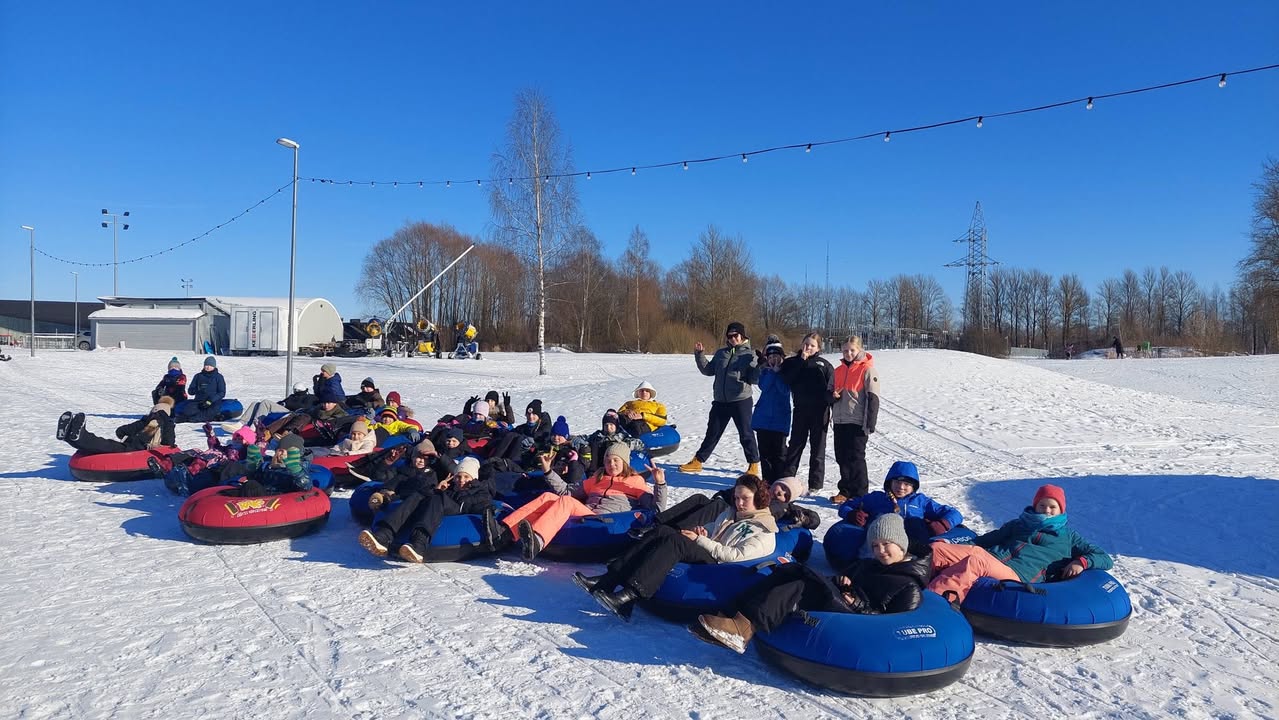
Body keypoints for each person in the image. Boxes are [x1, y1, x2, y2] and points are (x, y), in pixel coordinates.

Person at [695, 513, 931, 653]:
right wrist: (842, 582)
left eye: (886, 544)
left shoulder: (909, 585)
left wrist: (858, 605)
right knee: (788, 571)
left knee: (802, 583)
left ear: (901, 544)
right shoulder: (869, 565)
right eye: (876, 545)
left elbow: (894, 626)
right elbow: (844, 580)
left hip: (857, 619)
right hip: (844, 602)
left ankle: (742, 630)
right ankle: (730, 615)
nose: (880, 551)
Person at [575, 474, 778, 621]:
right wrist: (702, 531)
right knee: (663, 531)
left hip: (718, 563)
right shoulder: (733, 514)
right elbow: (714, 530)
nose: (739, 503)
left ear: (759, 498)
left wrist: (700, 540)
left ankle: (631, 595)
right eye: (736, 497)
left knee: (677, 542)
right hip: (708, 548)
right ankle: (609, 580)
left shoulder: (763, 530)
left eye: (745, 499)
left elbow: (732, 555)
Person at [927, 484, 1113, 605]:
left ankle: (934, 604)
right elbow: (984, 540)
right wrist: (952, 545)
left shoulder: (1069, 536)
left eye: (1052, 507)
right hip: (992, 558)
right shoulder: (1019, 524)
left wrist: (1081, 562)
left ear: (1060, 510)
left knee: (976, 560)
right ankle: (908, 584)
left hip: (1018, 574)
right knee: (937, 549)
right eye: (1042, 506)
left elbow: (1105, 558)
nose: (1047, 511)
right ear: (1035, 506)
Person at [500, 441, 669, 561]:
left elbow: (656, 508)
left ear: (624, 462)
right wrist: (548, 471)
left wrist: (660, 483)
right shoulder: (597, 478)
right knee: (548, 497)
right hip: (586, 515)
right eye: (608, 461)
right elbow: (567, 491)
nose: (611, 464)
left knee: (566, 502)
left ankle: (537, 540)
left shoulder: (635, 481)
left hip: (604, 522)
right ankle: (506, 532)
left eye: (616, 460)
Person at [358, 455, 503, 562]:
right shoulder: (450, 487)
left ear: (474, 478)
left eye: (466, 476)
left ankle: (419, 544)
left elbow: (480, 506)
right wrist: (439, 488)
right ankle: (384, 535)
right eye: (458, 476)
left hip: (460, 510)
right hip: (442, 506)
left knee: (436, 497)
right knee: (421, 494)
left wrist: (445, 494)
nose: (461, 480)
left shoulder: (481, 490)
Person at [678, 321, 761, 477]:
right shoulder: (721, 353)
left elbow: (755, 379)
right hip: (720, 400)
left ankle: (753, 465)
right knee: (713, 432)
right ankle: (698, 461)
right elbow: (708, 370)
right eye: (729, 336)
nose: (732, 339)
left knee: (746, 433)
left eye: (735, 335)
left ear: (742, 336)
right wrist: (699, 355)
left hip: (740, 399)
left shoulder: (750, 355)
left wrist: (760, 366)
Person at [837, 461, 963, 548]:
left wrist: (943, 524)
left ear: (913, 486)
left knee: (914, 523)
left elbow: (955, 514)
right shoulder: (877, 498)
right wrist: (851, 514)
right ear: (890, 483)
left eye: (907, 484)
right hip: (882, 545)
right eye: (897, 482)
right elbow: (846, 506)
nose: (901, 487)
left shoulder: (920, 501)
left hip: (913, 544)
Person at [780, 332, 835, 493]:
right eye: (806, 344)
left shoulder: (824, 365)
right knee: (796, 445)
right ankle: (788, 478)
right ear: (801, 343)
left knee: (818, 448)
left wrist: (832, 406)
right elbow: (787, 380)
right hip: (801, 410)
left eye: (812, 345)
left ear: (818, 348)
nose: (808, 348)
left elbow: (831, 389)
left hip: (820, 412)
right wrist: (801, 362)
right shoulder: (792, 362)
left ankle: (815, 484)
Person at [829, 336, 880, 505]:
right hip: (840, 420)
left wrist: (870, 423)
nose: (848, 353)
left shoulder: (867, 370)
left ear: (860, 350)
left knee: (856, 457)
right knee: (841, 456)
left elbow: (873, 398)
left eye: (852, 350)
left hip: (857, 421)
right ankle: (845, 490)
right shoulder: (837, 371)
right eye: (845, 350)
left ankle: (859, 494)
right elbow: (828, 392)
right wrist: (832, 396)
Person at [57, 399, 176, 455]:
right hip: (133, 450)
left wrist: (143, 421)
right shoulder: (164, 427)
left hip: (133, 451)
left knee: (104, 445)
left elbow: (121, 431)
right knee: (104, 445)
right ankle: (72, 435)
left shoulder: (147, 423)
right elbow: (169, 443)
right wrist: (168, 422)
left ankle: (74, 437)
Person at [751, 337, 791, 483]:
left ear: (782, 357)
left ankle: (780, 481)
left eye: (777, 356)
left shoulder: (786, 373)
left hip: (779, 421)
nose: (774, 359)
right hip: (763, 420)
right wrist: (772, 372)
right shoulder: (765, 372)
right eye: (771, 357)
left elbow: (784, 390)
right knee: (765, 454)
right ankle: (767, 482)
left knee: (779, 454)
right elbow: (764, 387)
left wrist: (779, 372)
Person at [227, 434, 313, 497]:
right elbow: (256, 478)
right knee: (230, 491)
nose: (280, 454)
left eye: (285, 451)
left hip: (280, 499)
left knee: (252, 485)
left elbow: (306, 486)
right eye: (279, 450)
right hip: (264, 495)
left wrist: (295, 469)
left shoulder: (300, 469)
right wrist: (253, 467)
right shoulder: (268, 465)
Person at [177, 356, 227, 422]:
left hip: (213, 402)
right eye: (206, 365)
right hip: (199, 401)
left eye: (210, 365)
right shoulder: (198, 376)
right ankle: (186, 417)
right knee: (188, 410)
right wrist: (198, 389)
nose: (208, 367)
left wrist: (210, 400)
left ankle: (191, 419)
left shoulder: (218, 377)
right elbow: (190, 391)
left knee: (210, 412)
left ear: (214, 366)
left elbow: (221, 392)